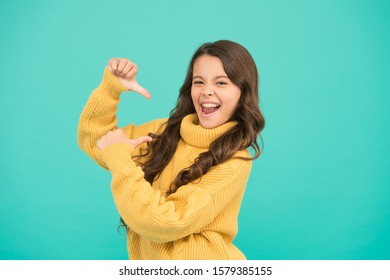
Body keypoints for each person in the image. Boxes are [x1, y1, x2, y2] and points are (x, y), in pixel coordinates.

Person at [78, 40, 265, 260]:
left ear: (242, 92)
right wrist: (110, 89)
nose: (207, 91)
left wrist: (120, 159)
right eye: (198, 82)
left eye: (221, 83)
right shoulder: (165, 132)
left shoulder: (234, 161)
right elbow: (97, 141)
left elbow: (165, 223)